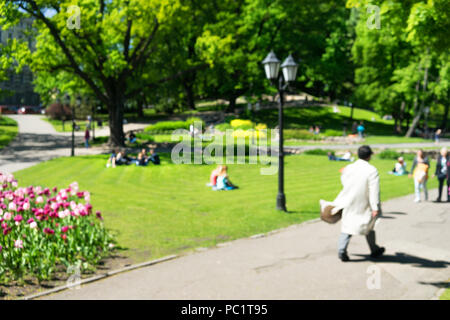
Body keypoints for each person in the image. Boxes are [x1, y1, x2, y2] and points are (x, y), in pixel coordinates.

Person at [323, 145, 384, 262]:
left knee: (348, 226)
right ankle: (374, 249)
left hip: (350, 199)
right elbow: (374, 190)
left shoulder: (350, 167)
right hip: (364, 202)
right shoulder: (371, 170)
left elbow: (344, 180)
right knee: (369, 226)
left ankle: (342, 250)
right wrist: (375, 206)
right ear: (369, 156)